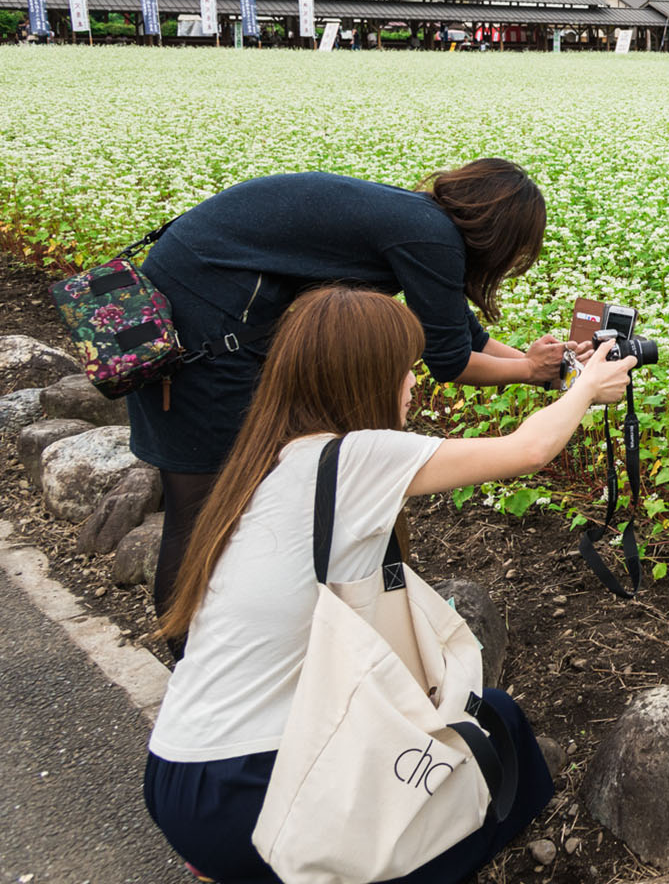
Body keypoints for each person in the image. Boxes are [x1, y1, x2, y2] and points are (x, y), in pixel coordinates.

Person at [145, 285, 635, 882]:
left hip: (180, 771)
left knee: (495, 716)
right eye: (405, 370)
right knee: (487, 775)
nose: (413, 385)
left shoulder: (266, 459)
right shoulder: (354, 459)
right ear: (364, 379)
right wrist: (588, 387)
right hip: (252, 791)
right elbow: (528, 451)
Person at [127, 159, 578, 621]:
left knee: (234, 496)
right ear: (501, 236)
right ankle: (190, 660)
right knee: (201, 505)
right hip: (198, 332)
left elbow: (466, 337)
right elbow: (451, 362)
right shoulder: (428, 235)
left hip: (191, 297)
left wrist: (539, 364)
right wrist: (527, 371)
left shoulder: (420, 221)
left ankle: (226, 651)